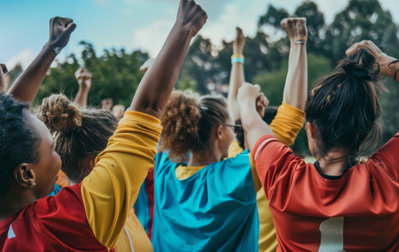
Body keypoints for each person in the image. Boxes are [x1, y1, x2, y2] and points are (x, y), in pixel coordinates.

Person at [0, 1, 207, 250]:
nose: (59, 157)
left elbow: (8, 124)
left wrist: (51, 49)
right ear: (25, 174)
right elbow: (147, 110)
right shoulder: (63, 223)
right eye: (52, 148)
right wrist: (183, 28)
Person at [238, 40, 399, 251]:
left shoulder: (283, 179)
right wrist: (382, 62)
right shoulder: (393, 177)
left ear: (311, 130)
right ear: (365, 135)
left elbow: (253, 126)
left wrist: (247, 100)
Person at [151, 17, 308, 251]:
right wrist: (299, 42)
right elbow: (291, 117)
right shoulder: (233, 179)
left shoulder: (164, 174)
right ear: (220, 132)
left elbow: (155, 113)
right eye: (234, 126)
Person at [226, 20, 307, 252]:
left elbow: (234, 108)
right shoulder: (272, 164)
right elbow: (294, 109)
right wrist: (297, 41)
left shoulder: (235, 162)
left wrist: (237, 54)